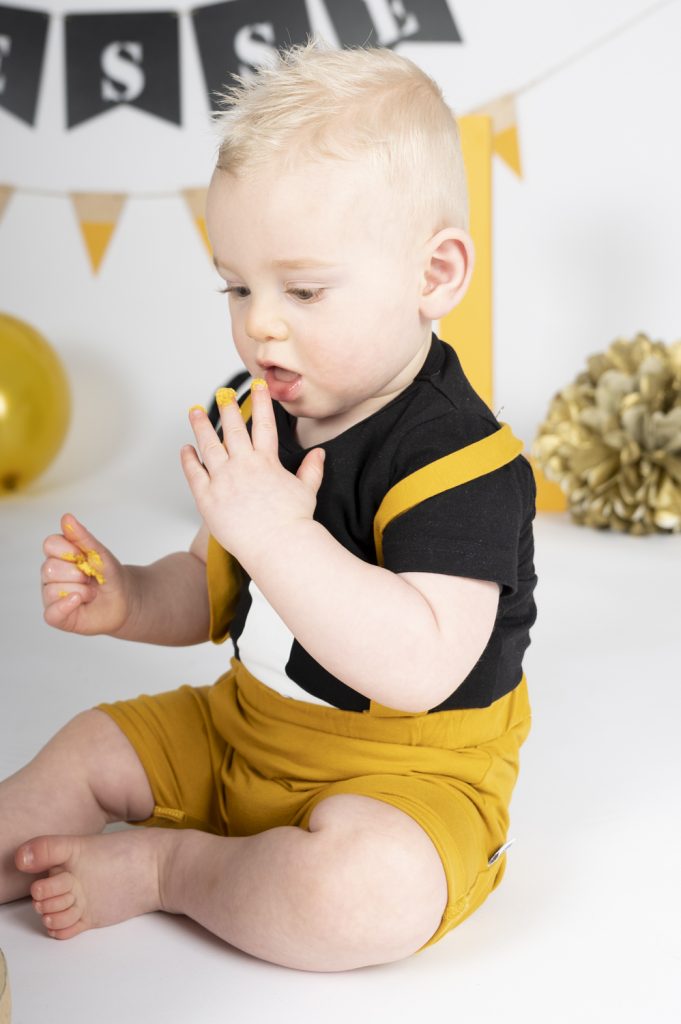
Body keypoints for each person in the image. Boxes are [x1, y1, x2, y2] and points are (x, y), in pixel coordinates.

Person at [0, 40, 537, 973]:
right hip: (239, 727)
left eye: (303, 288)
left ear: (434, 276)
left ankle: (171, 868)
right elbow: (220, 591)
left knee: (360, 896)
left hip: (401, 779)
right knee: (82, 751)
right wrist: (130, 595)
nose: (259, 323)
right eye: (237, 286)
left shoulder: (463, 463)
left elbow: (417, 665)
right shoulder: (260, 414)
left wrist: (279, 530)